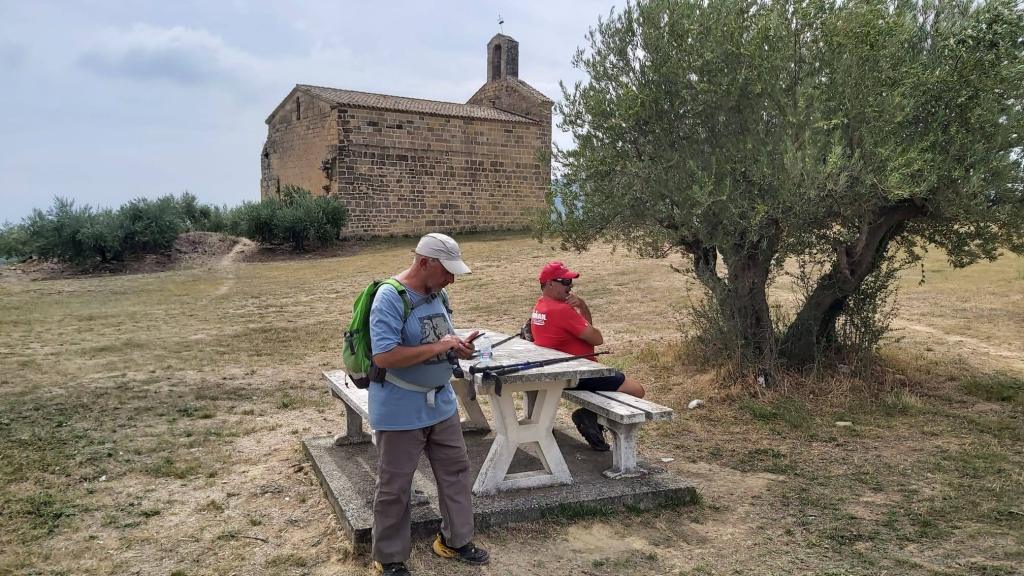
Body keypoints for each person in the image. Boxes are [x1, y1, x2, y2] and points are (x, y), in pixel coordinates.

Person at [368, 232, 489, 576]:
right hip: (399, 408)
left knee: (455, 471)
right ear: (424, 262)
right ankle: (389, 558)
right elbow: (385, 355)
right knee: (395, 486)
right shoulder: (390, 298)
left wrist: (457, 347)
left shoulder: (440, 293)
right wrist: (440, 347)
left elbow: (439, 337)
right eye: (447, 270)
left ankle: (455, 539)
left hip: (442, 404)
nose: (451, 278)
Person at [529, 261, 646, 451]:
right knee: (636, 390)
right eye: (565, 282)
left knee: (614, 387)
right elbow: (597, 338)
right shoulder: (562, 311)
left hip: (560, 370)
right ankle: (590, 415)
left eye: (571, 282)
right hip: (579, 373)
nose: (570, 287)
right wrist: (582, 308)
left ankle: (591, 417)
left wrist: (582, 307)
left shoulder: (541, 305)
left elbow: (588, 332)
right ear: (550, 284)